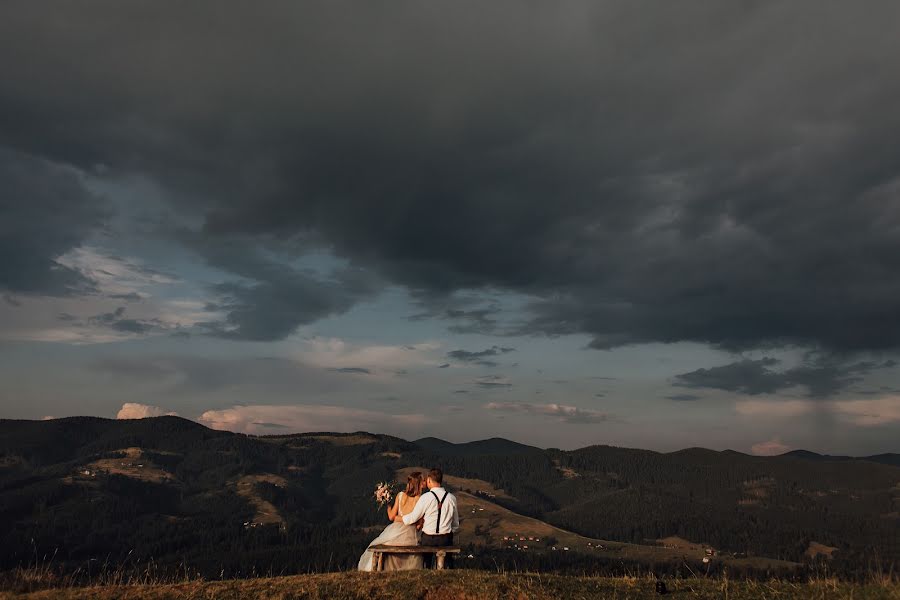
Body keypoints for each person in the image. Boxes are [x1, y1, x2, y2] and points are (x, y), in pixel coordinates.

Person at [358, 471, 426, 571]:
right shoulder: (420, 499)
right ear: (419, 483)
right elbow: (419, 525)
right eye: (423, 480)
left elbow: (391, 517)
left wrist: (387, 503)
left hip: (395, 531)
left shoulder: (400, 495)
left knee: (385, 544)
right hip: (410, 536)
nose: (425, 482)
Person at [399, 467, 459, 568]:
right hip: (446, 539)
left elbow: (413, 518)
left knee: (426, 560)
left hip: (428, 539)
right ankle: (448, 569)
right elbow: (456, 524)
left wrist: (398, 518)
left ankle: (426, 568)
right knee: (448, 559)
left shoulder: (425, 497)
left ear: (429, 480)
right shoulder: (452, 498)